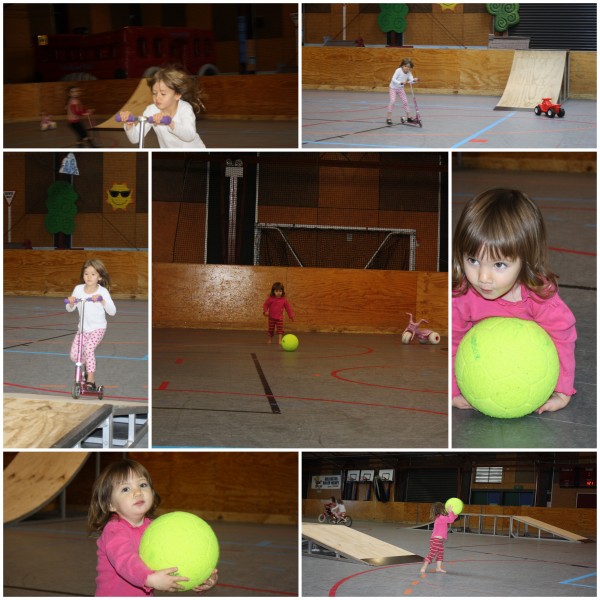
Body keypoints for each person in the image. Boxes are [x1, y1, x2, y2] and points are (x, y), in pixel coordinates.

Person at [452, 188, 577, 414]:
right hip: (484, 368)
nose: (483, 278)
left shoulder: (539, 297)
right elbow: (452, 340)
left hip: (527, 371)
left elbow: (563, 338)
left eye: (499, 265)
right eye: (473, 260)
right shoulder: (463, 295)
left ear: (525, 261)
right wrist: (453, 388)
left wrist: (562, 389)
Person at [88, 458, 218, 596]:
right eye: (126, 489)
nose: (137, 492)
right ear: (110, 505)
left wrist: (200, 578)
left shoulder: (154, 528)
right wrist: (149, 578)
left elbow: (174, 557)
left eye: (143, 485)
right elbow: (124, 560)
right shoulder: (114, 530)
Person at [120, 65, 206, 148]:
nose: (157, 97)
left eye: (163, 94)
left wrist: (170, 123)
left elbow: (189, 136)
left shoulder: (185, 108)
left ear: (177, 95)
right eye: (154, 93)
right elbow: (135, 139)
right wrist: (129, 125)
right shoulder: (151, 110)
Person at [66, 259, 116, 391]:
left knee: (89, 349)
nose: (89, 277)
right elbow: (70, 309)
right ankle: (86, 369)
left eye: (93, 274)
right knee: (74, 355)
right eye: (86, 273)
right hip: (83, 329)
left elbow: (112, 312)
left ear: (99, 277)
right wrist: (71, 303)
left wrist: (102, 300)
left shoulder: (102, 291)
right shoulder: (78, 289)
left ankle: (91, 380)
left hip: (98, 328)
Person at [420, 502, 457, 574]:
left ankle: (438, 568)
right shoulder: (441, 518)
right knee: (432, 553)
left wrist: (453, 512)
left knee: (440, 553)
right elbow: (451, 520)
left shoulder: (440, 517)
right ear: (441, 509)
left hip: (437, 539)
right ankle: (423, 567)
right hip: (436, 539)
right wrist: (450, 512)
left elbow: (452, 518)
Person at [386, 58, 419, 125]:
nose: (406, 68)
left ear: (410, 68)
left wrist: (414, 80)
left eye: (408, 67)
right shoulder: (398, 70)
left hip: (400, 89)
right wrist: (400, 82)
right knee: (392, 101)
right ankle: (388, 118)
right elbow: (393, 79)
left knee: (405, 102)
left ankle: (409, 117)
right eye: (405, 66)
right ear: (402, 66)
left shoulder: (409, 73)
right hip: (393, 88)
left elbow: (411, 81)